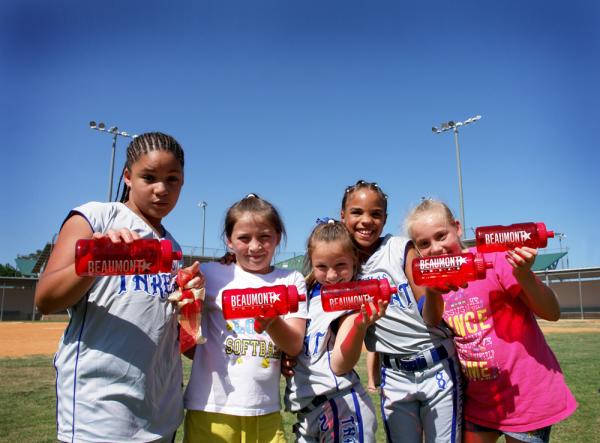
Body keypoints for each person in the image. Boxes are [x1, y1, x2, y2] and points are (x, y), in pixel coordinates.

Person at [34, 132, 202, 442]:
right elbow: (46, 299)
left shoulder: (172, 248)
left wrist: (189, 304)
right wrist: (97, 258)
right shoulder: (96, 217)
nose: (161, 189)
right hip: (101, 412)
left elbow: (171, 333)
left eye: (173, 179)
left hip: (160, 414)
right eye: (148, 177)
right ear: (127, 176)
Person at [406, 199, 577, 443]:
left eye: (441, 235)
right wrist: (433, 292)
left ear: (457, 228)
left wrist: (523, 274)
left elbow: (552, 312)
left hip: (525, 399)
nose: (435, 248)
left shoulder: (494, 260)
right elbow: (431, 321)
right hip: (481, 402)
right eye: (424, 243)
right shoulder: (433, 279)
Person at [340, 180, 463, 443]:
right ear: (343, 216)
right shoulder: (341, 264)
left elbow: (429, 315)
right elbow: (310, 281)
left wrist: (432, 291)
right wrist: (233, 259)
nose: (366, 221)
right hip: (394, 373)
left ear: (384, 219)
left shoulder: (398, 247)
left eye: (375, 214)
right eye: (356, 212)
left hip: (436, 364)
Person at [183, 193, 308, 443]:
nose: (254, 246)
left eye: (264, 237)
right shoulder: (210, 274)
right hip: (211, 409)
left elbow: (294, 344)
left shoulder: (291, 281)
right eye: (243, 238)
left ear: (278, 238)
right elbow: (186, 332)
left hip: (265, 410)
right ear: (229, 241)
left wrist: (272, 322)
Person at [284, 218, 387, 442]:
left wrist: (359, 325)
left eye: (340, 265)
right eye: (322, 266)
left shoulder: (353, 299)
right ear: (311, 262)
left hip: (340, 405)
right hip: (307, 412)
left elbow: (340, 365)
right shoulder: (306, 295)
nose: (332, 276)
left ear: (354, 261)